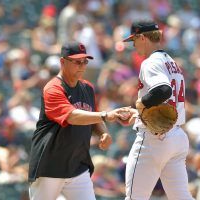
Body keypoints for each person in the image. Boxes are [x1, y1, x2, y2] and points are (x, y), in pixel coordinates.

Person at [28, 41, 128, 200]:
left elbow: (92, 115)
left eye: (85, 61)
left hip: (77, 165)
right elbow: (73, 116)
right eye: (77, 61)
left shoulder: (87, 87)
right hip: (50, 166)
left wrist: (104, 132)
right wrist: (105, 115)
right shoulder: (53, 88)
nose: (82, 65)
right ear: (62, 62)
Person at [120, 20, 194, 200]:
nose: (134, 45)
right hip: (177, 137)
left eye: (134, 40)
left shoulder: (150, 62)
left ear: (143, 37)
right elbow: (165, 98)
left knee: (134, 197)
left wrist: (140, 104)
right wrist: (139, 113)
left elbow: (163, 90)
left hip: (154, 138)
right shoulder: (171, 62)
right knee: (182, 197)